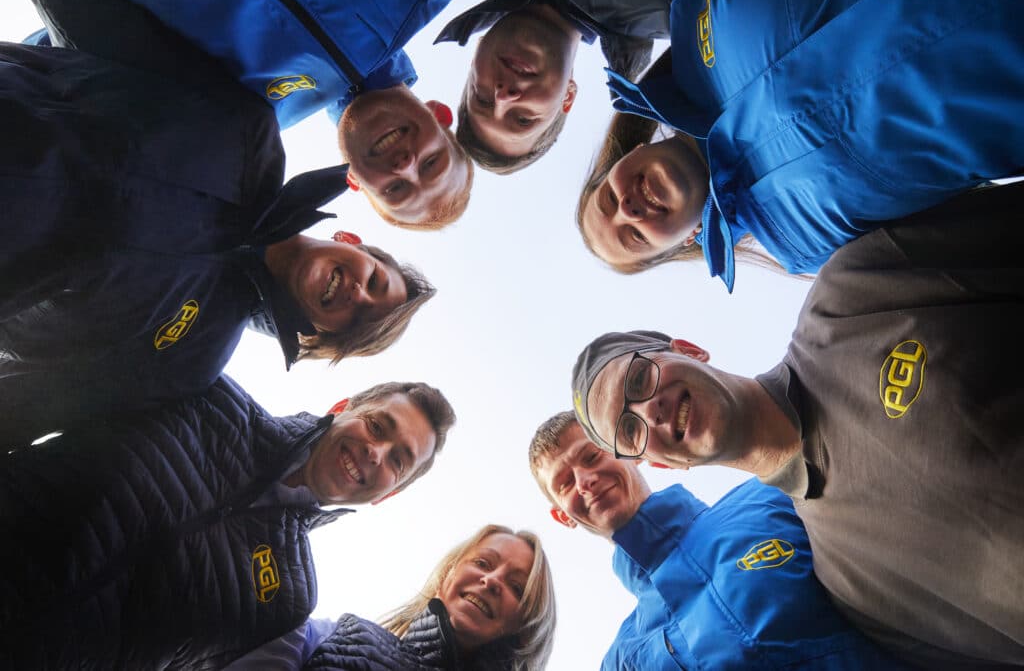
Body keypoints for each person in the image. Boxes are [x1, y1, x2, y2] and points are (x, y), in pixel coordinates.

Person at [569, 182, 1024, 669]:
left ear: (687, 348)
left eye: (640, 377)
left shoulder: (853, 296)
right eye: (630, 431)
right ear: (662, 463)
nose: (650, 411)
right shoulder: (852, 586)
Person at [0, 22, 434, 448]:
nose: (357, 294)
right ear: (351, 241)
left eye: (357, 319)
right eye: (375, 281)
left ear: (325, 331)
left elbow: (40, 399)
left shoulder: (194, 358)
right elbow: (107, 30)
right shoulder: (251, 130)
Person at [577, 0, 1024, 291]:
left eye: (608, 202)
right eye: (635, 236)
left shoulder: (693, 13)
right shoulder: (805, 248)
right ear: (686, 239)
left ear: (629, 154)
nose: (629, 211)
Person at [0, 376, 456, 670]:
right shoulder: (207, 396)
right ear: (342, 406)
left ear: (389, 493)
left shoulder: (288, 601)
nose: (376, 452)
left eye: (398, 461)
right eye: (378, 426)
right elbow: (34, 397)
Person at [28, 0, 473, 229]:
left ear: (353, 180)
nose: (406, 165)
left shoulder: (236, 124)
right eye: (432, 163)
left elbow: (68, 62)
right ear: (439, 113)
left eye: (396, 190)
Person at [528, 412, 906, 670]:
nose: (585, 480)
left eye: (591, 457)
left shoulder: (770, 498)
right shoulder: (625, 657)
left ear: (629, 452)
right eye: (564, 483)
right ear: (563, 515)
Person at [223, 524, 557, 671]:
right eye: (483, 563)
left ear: (524, 624)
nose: (492, 581)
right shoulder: (337, 636)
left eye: (517, 587)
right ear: (448, 575)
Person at [433, 0, 672, 174]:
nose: (503, 96)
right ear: (568, 96)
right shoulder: (677, 7)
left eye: (482, 99)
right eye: (523, 119)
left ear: (475, 53)